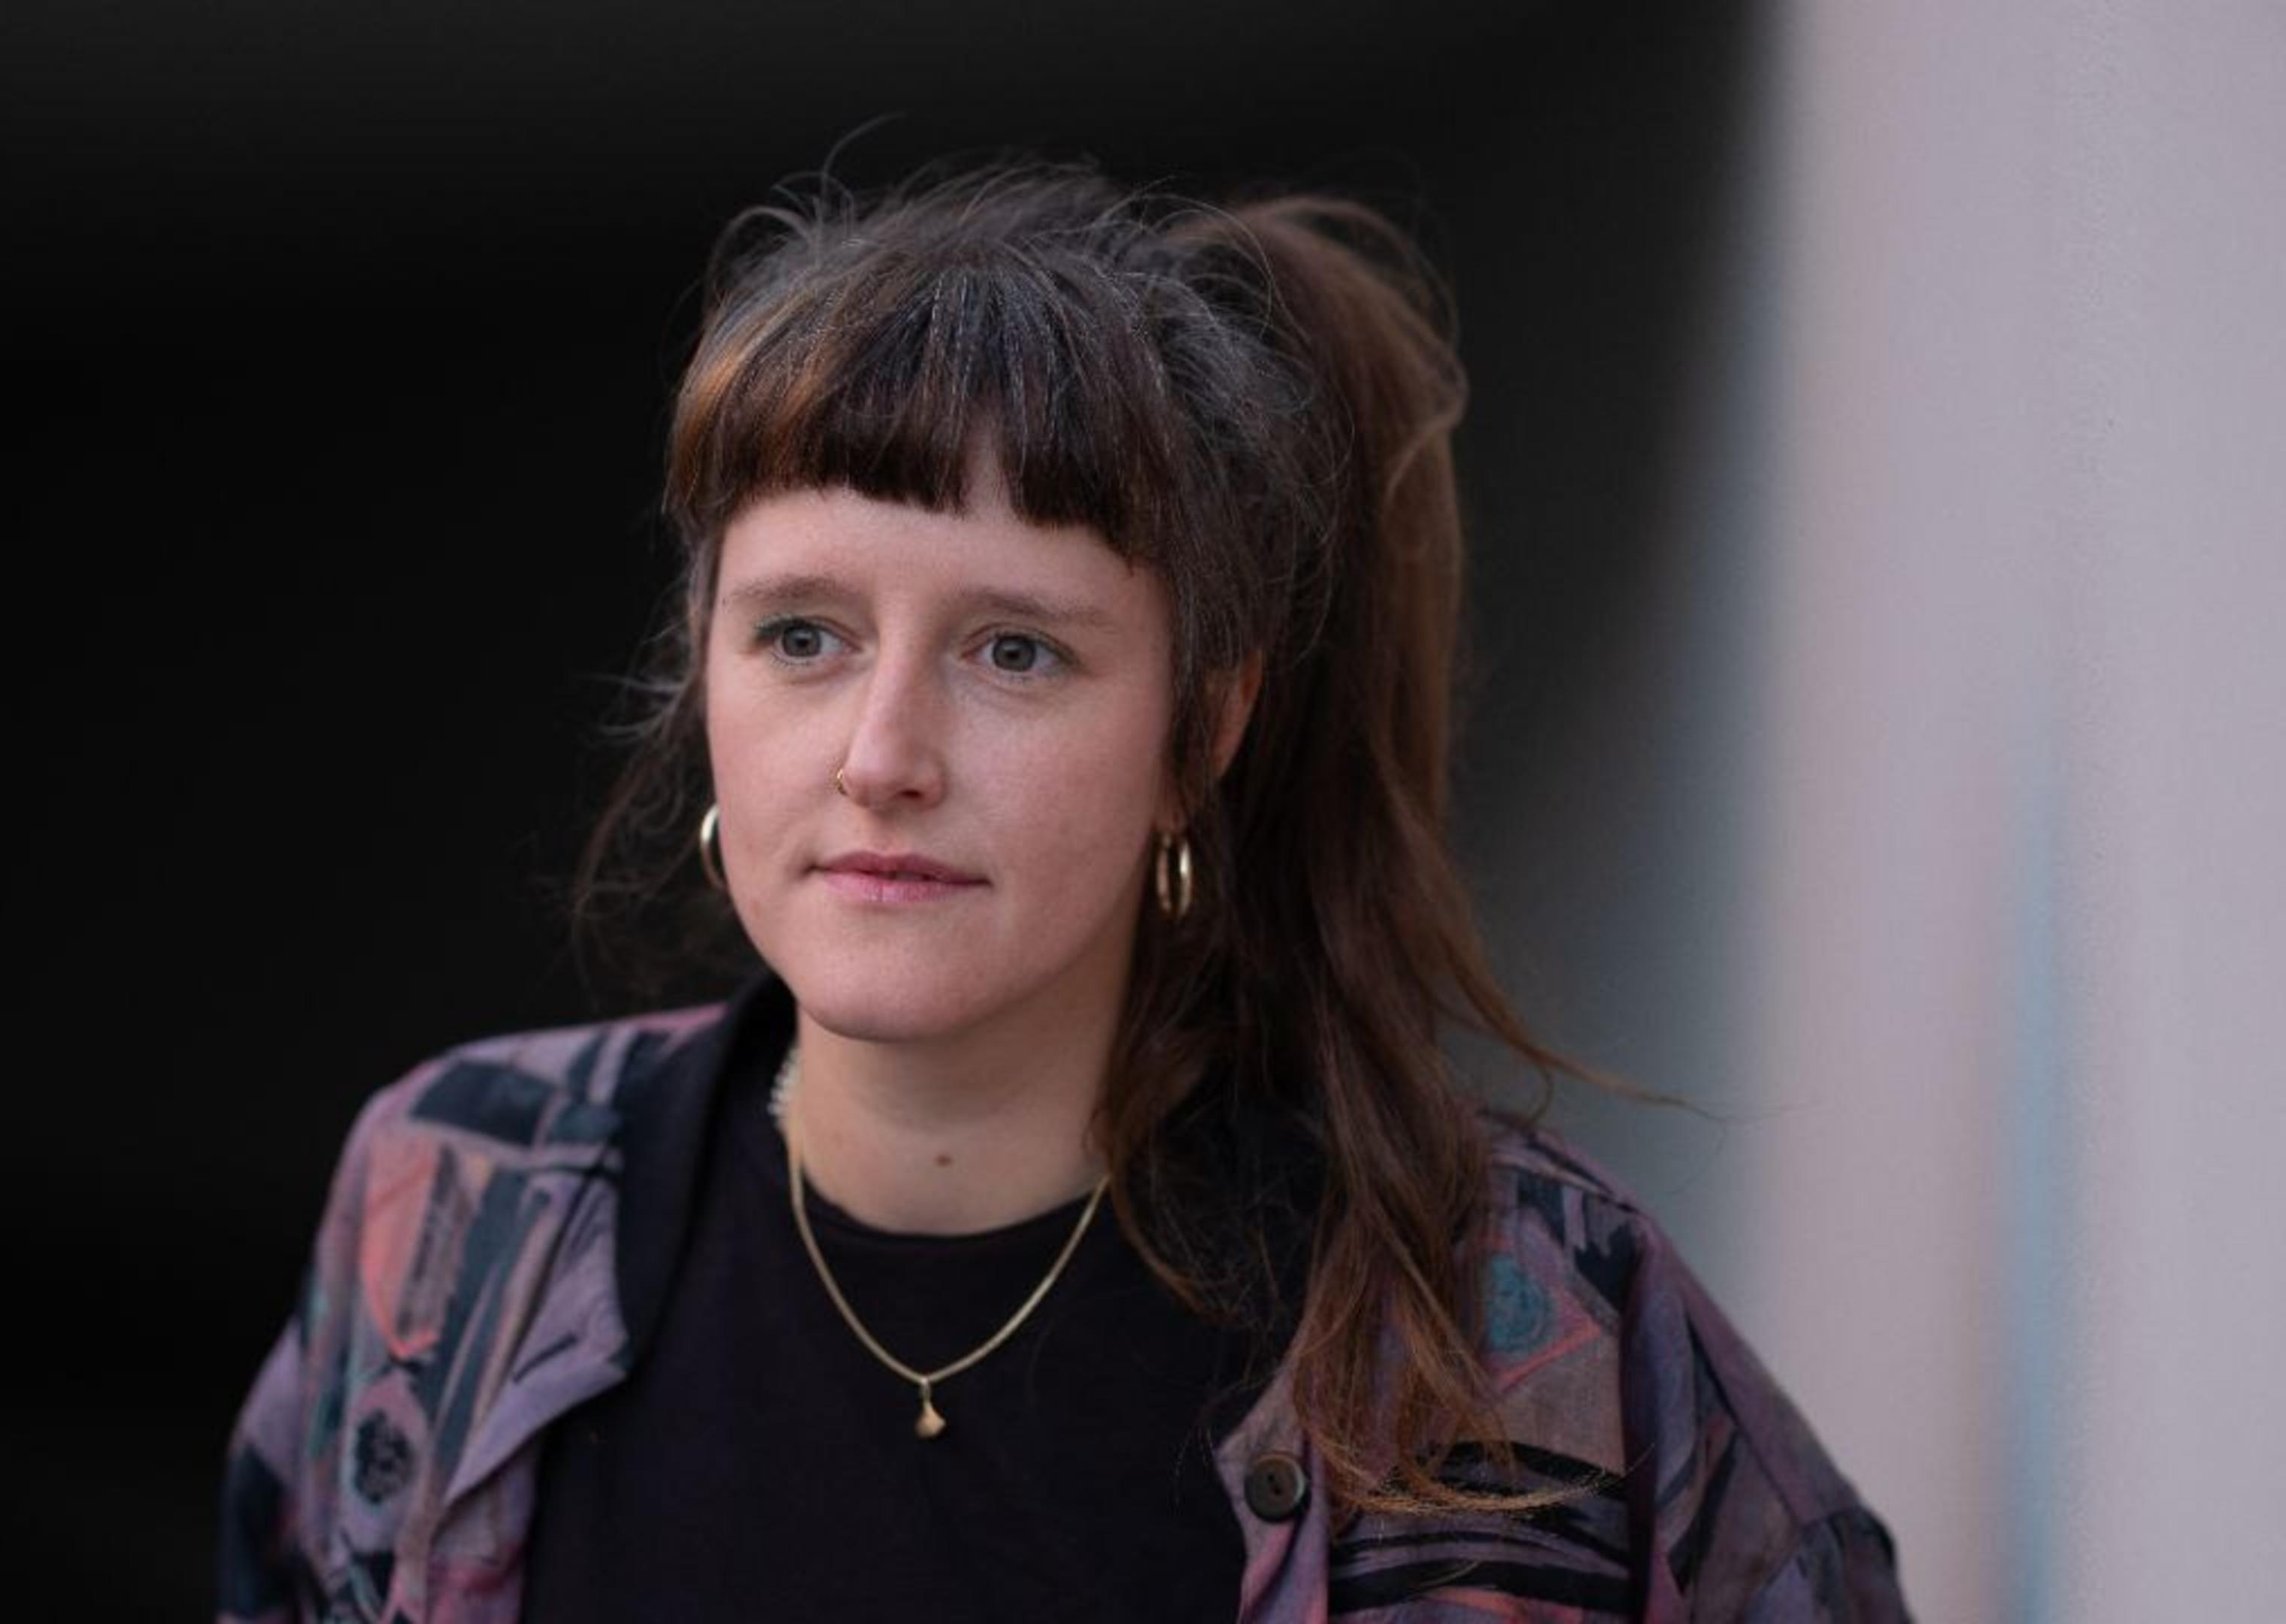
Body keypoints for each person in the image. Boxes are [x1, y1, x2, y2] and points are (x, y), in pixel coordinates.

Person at [215, 161, 1908, 1622]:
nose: (883, 755)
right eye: (802, 635)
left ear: (1199, 733)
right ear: (702, 671)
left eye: (1014, 651)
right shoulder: (450, 1213)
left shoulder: (1527, 1319)